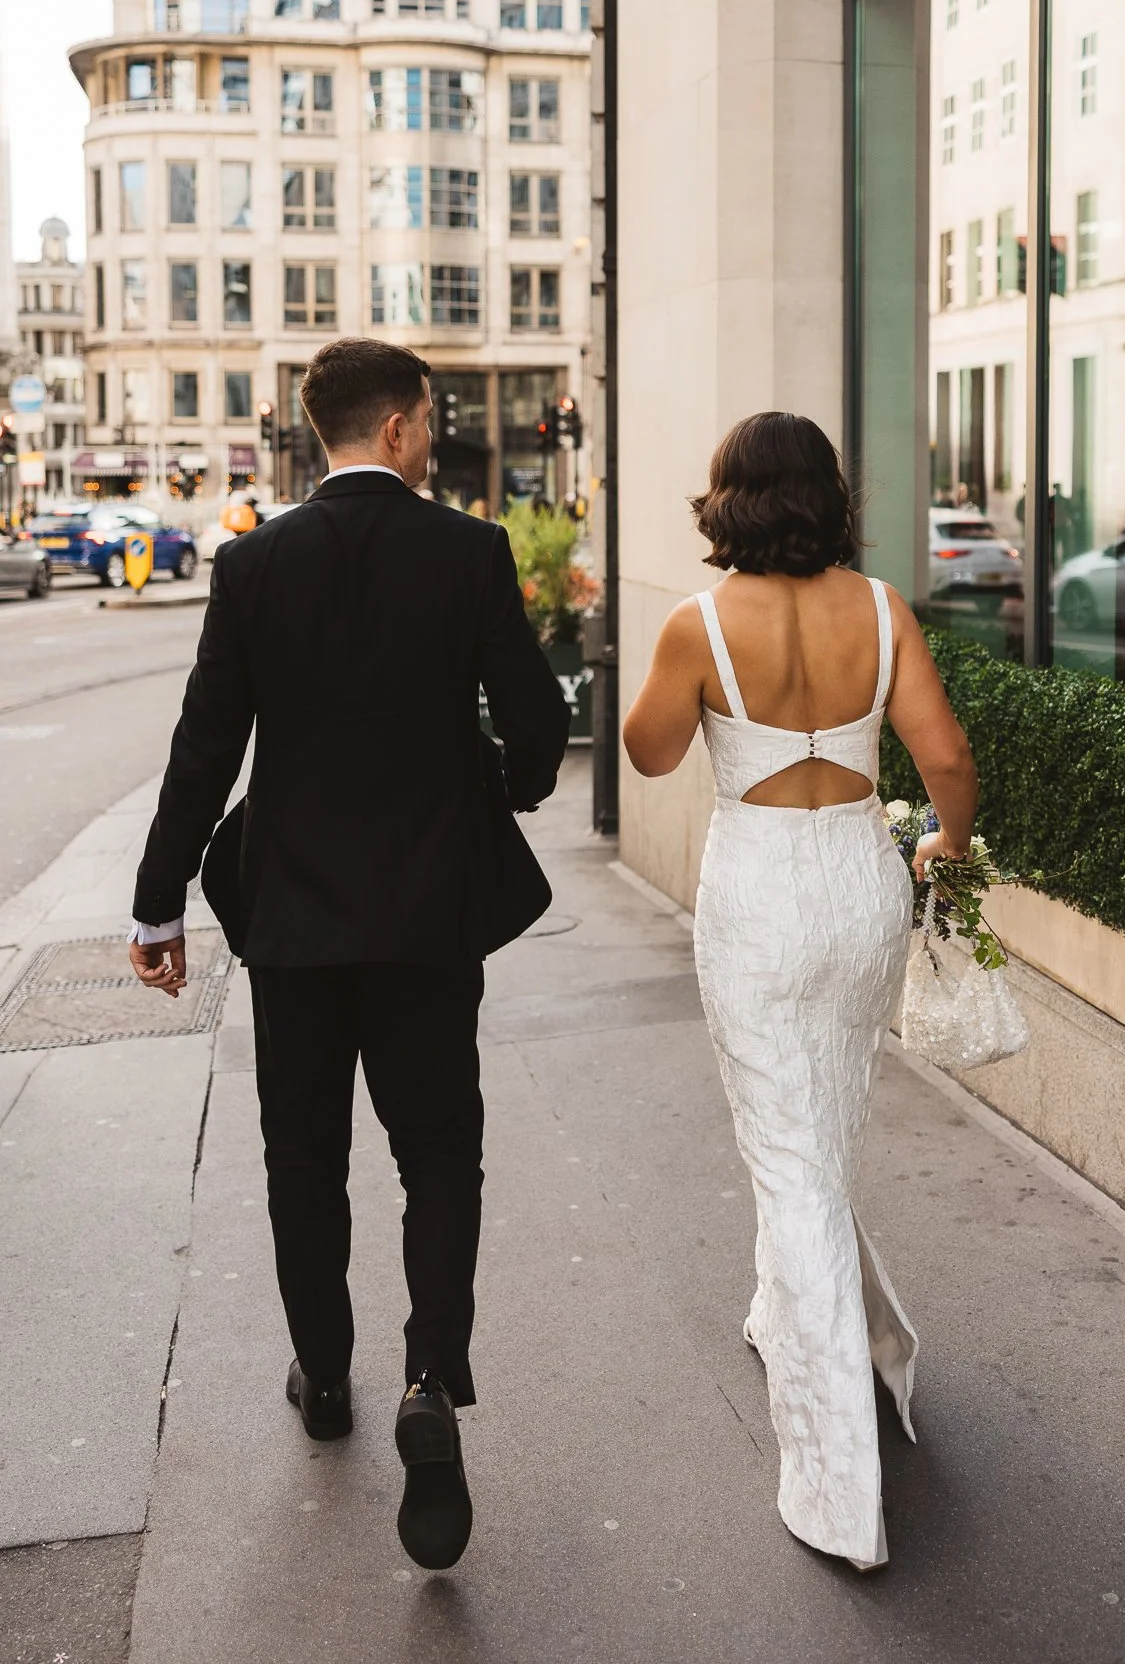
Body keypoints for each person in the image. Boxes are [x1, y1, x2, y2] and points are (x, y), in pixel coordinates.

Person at [127, 338, 570, 1571]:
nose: (432, 439)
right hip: (429, 918)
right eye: (427, 421)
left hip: (299, 927)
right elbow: (536, 722)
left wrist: (158, 904)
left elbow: (205, 743)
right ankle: (430, 1376)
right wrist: (499, 787)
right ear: (398, 427)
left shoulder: (253, 564)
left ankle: (326, 1377)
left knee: (302, 1155)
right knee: (439, 1152)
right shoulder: (467, 552)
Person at [622, 412, 978, 1570]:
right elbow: (947, 761)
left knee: (786, 1163)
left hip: (761, 904)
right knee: (817, 1144)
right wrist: (945, 848)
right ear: (826, 493)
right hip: (858, 887)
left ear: (726, 499)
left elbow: (646, 753)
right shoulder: (879, 610)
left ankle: (837, 1487)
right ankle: (829, 1330)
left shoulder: (697, 623)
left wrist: (680, 677)